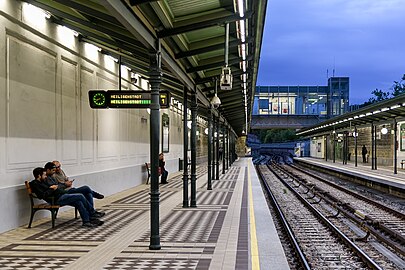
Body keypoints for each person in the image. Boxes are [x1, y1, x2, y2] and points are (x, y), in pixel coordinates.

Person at [30, 167, 104, 228]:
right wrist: (51, 189)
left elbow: (54, 187)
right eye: (44, 175)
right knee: (80, 196)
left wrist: (55, 188)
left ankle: (86, 221)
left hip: (60, 196)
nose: (46, 177)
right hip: (56, 199)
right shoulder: (35, 184)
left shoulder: (43, 181)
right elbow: (42, 196)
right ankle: (91, 214)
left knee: (78, 202)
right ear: (39, 176)